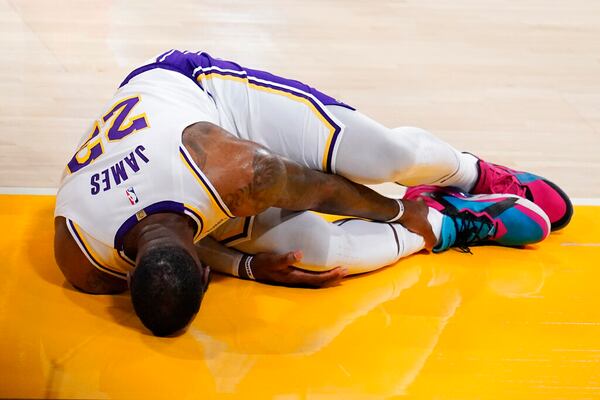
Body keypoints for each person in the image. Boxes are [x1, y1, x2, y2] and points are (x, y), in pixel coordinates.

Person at [54, 49, 567, 336]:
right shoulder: (80, 257)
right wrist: (251, 267)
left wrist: (396, 208)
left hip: (208, 98)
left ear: (206, 277)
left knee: (378, 157)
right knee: (315, 256)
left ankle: (467, 173)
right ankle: (443, 224)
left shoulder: (232, 173)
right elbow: (181, 241)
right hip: (189, 175)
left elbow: (322, 192)